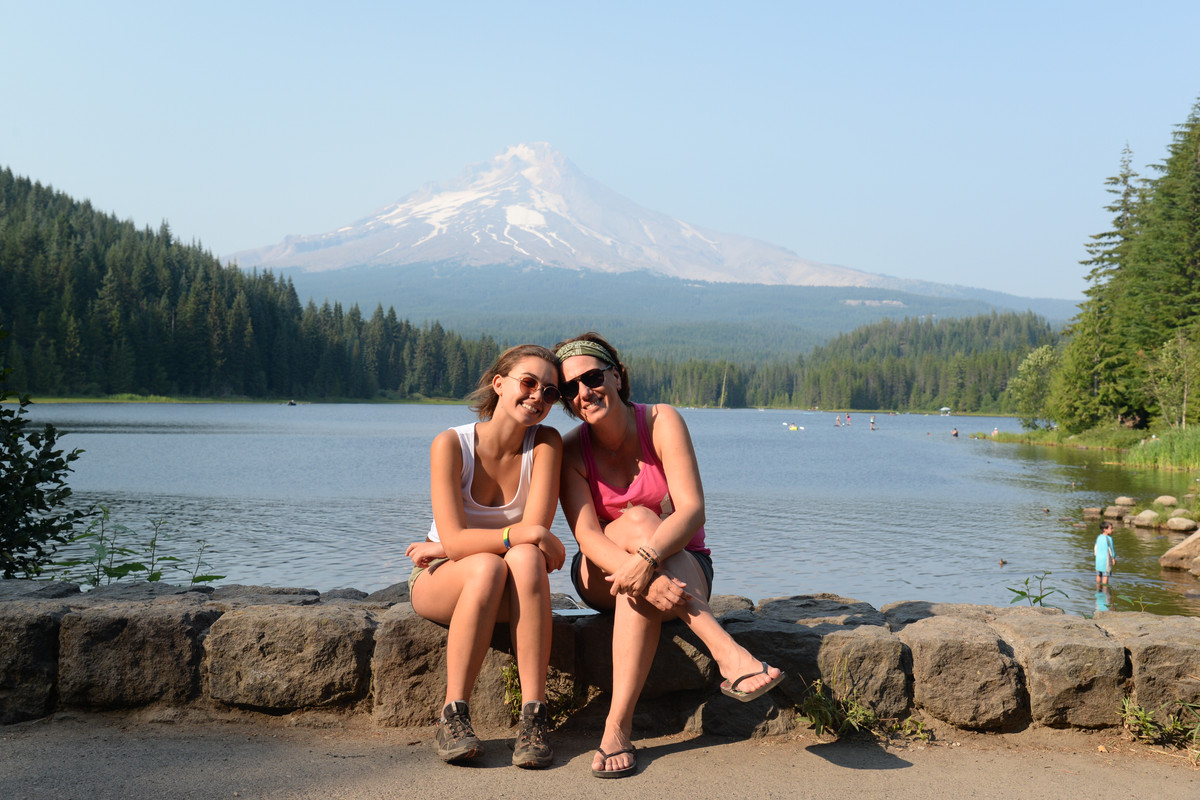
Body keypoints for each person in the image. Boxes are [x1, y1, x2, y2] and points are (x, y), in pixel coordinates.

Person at [554, 333, 785, 779]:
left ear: (616, 376)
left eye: (593, 377)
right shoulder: (569, 450)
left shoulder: (661, 421)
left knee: (640, 534)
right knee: (638, 524)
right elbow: (586, 535)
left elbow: (693, 509)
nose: (584, 392)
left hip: (684, 564)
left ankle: (616, 728)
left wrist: (647, 561)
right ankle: (728, 653)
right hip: (601, 571)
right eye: (570, 388)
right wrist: (637, 567)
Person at [405, 344, 567, 768]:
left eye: (550, 393)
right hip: (444, 580)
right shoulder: (451, 444)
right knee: (490, 564)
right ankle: (451, 714)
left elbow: (529, 550)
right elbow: (462, 545)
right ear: (499, 384)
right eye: (528, 383)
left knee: (525, 559)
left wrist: (515, 538)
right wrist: (522, 532)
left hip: (508, 583)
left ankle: (534, 716)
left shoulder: (546, 444)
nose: (537, 397)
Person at [1094, 521, 1116, 588]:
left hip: (1098, 560)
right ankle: (1105, 589)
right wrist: (1113, 558)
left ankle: (1098, 588)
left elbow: (1095, 548)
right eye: (1111, 528)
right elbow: (1111, 550)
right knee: (1106, 575)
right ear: (1105, 529)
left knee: (1099, 574)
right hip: (1105, 560)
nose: (1112, 530)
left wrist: (1096, 556)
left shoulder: (1099, 537)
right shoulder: (1109, 539)